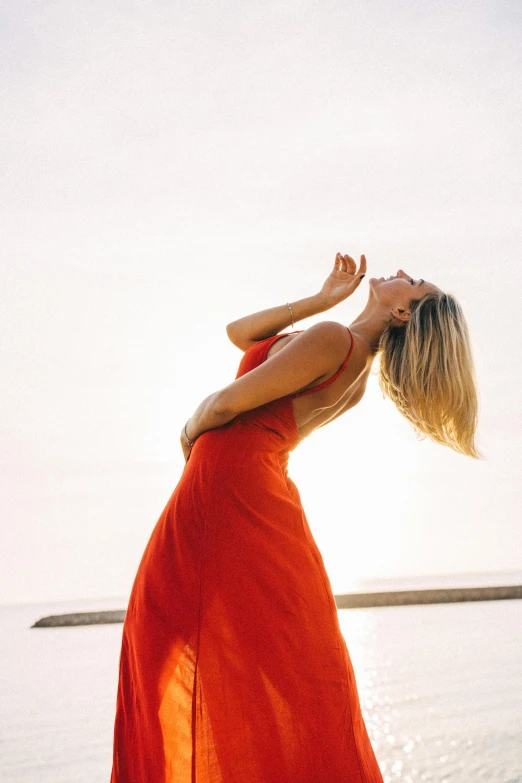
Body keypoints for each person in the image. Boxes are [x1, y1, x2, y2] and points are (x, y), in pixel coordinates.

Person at [110, 252, 480, 783]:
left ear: (402, 314)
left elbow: (223, 407)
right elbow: (241, 334)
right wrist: (322, 299)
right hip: (247, 492)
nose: (402, 273)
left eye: (413, 283)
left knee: (158, 642)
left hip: (226, 493)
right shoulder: (346, 361)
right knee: (209, 650)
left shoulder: (336, 341)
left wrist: (190, 430)